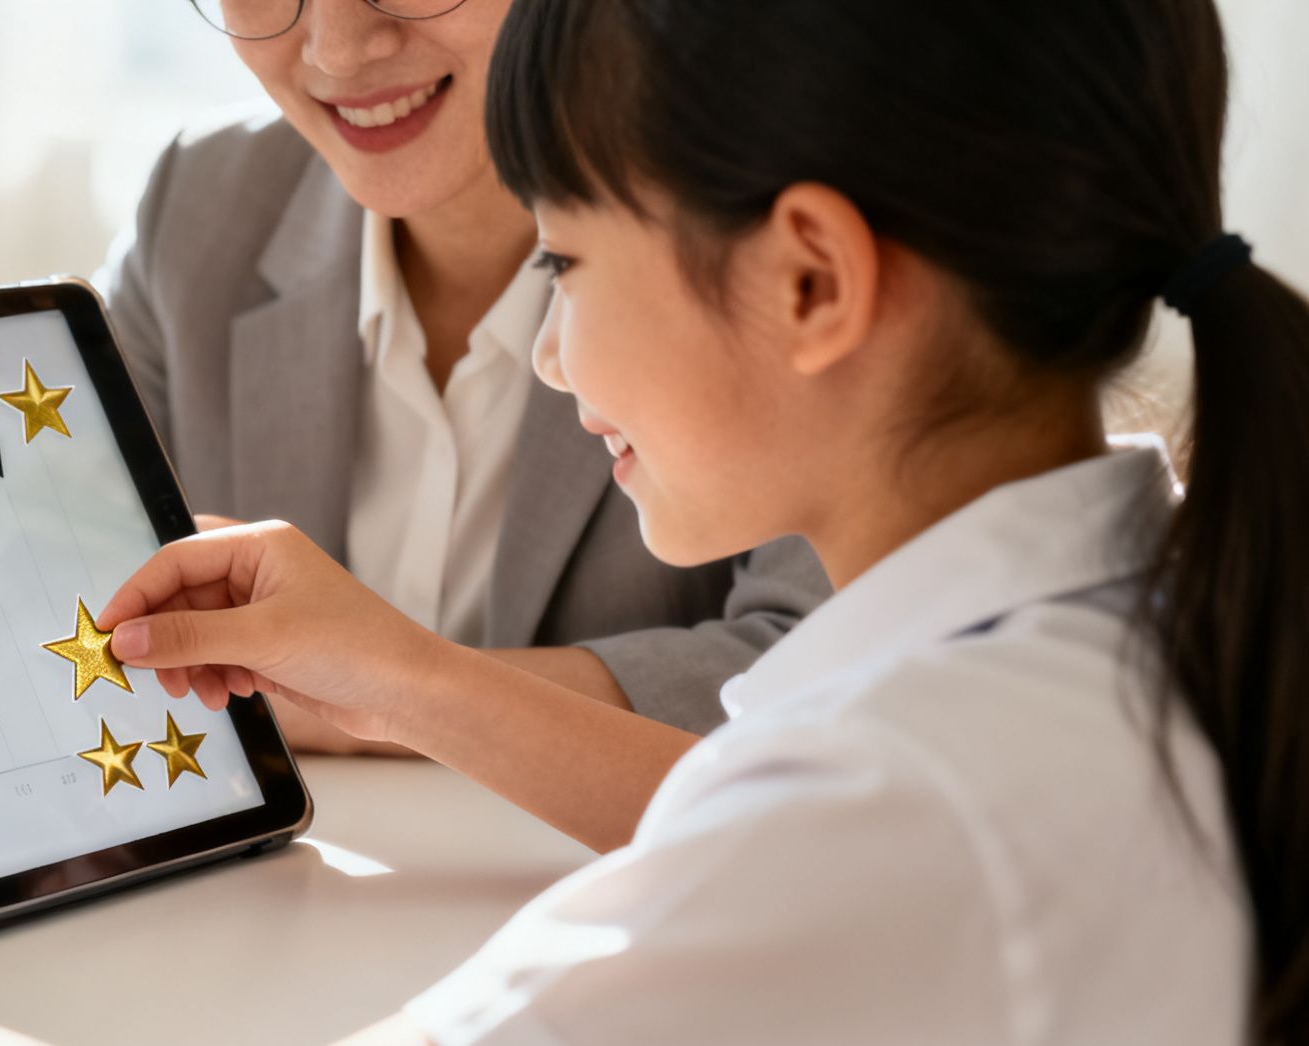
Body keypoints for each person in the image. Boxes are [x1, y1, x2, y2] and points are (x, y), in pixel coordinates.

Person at [0, 0, 1309, 1046]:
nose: (551, 349)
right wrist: (396, 677)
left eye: (573, 266)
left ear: (810, 281)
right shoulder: (1125, 624)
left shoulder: (893, 810)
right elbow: (756, 813)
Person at [97, 0, 830, 753]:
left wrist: (363, 690)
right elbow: (64, 579)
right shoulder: (200, 205)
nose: (339, 50)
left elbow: (835, 674)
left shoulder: (772, 207)